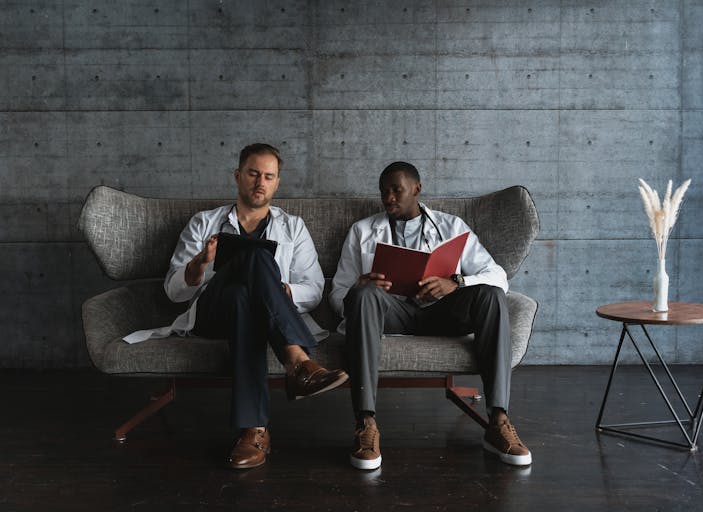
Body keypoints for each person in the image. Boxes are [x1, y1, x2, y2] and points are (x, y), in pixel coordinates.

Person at [129, 143, 348, 469]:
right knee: (255, 256)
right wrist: (200, 263)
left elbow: (314, 289)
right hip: (211, 314)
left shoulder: (293, 227)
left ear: (277, 183)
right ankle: (298, 361)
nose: (260, 182)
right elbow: (174, 291)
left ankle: (253, 431)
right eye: (253, 174)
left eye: (269, 176)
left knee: (245, 298)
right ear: (237, 176)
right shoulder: (204, 223)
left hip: (249, 313)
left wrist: (271, 290)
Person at [330, 161, 531, 470]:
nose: (389, 198)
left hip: (443, 313)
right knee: (364, 294)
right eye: (384, 192)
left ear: (417, 189)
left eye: (396, 190)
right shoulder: (363, 231)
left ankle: (498, 421)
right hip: (390, 313)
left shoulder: (452, 227)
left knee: (490, 295)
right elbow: (337, 294)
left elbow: (497, 276)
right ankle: (365, 423)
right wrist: (360, 286)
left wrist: (456, 283)